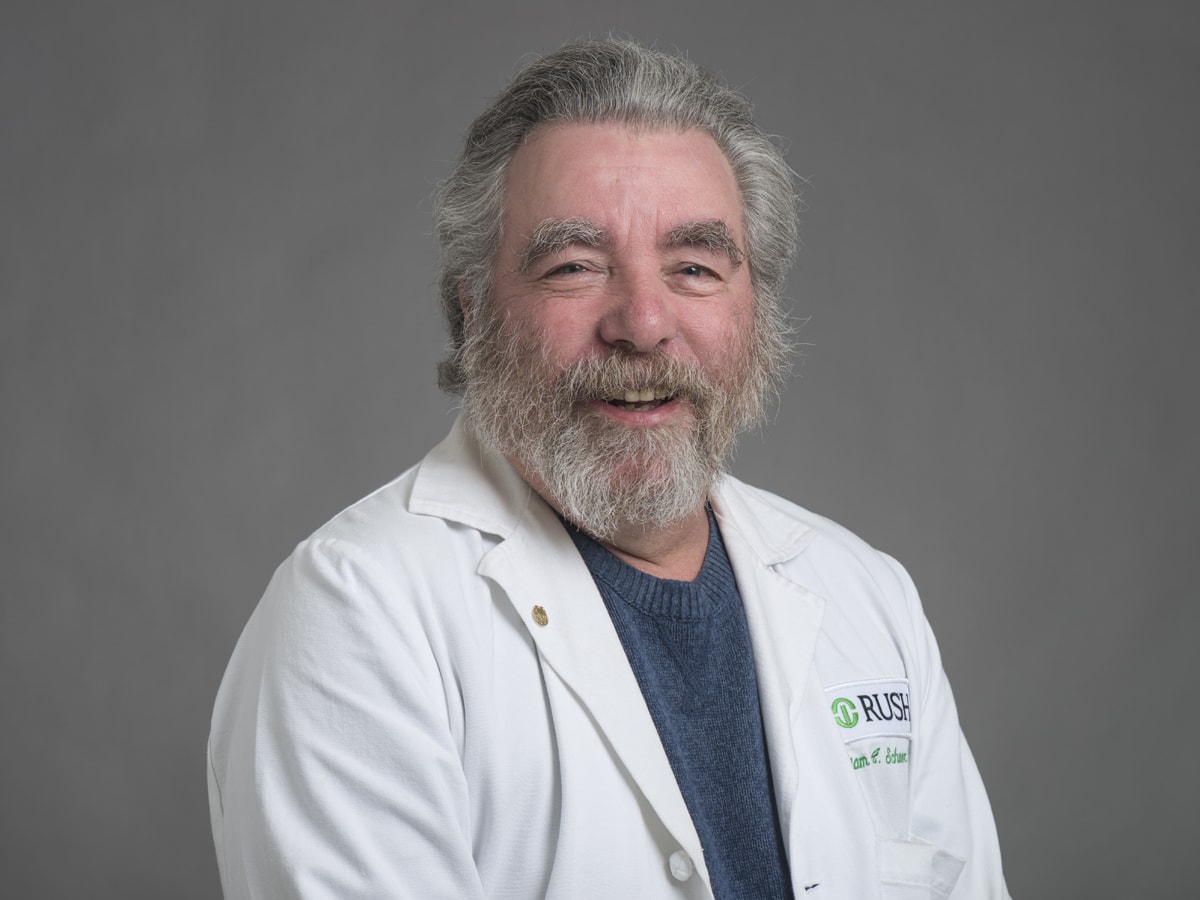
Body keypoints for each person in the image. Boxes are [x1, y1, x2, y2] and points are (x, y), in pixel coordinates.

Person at [207, 39, 1010, 899]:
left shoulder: (868, 595)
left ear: (756, 309)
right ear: (473, 310)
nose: (643, 323)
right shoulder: (357, 613)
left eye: (694, 267)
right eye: (575, 268)